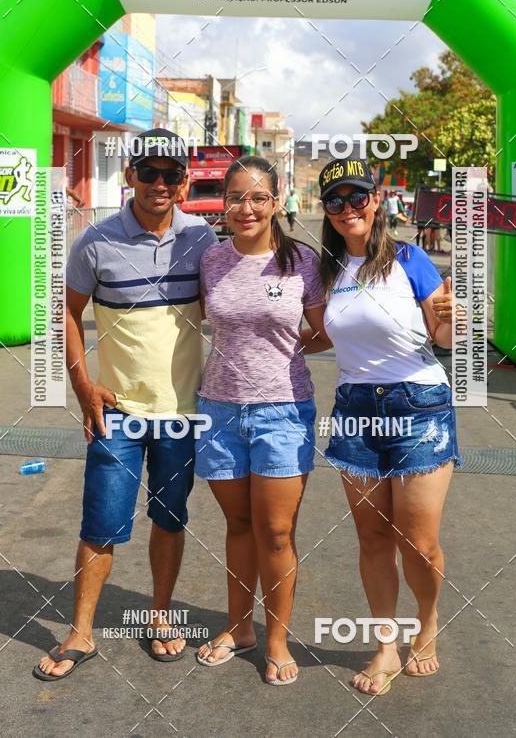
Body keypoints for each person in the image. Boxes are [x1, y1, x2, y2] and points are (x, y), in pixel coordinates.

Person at [33, 129, 217, 680]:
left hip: (183, 413)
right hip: (116, 412)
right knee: (101, 524)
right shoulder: (96, 241)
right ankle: (81, 633)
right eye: (149, 172)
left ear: (183, 182)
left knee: (170, 518)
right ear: (131, 175)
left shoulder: (203, 240)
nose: (159, 184)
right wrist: (82, 386)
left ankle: (159, 618)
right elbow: (65, 312)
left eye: (170, 174)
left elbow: (230, 304)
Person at [310, 157, 461, 698]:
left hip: (418, 403)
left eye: (357, 198)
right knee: (373, 537)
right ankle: (385, 644)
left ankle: (427, 624)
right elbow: (319, 334)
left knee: (417, 541)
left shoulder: (409, 259)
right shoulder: (327, 270)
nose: (348, 209)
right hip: (355, 407)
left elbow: (441, 339)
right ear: (325, 211)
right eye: (336, 202)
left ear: (376, 201)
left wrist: (450, 317)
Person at [194, 155, 328, 685]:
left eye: (257, 198)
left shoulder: (301, 262)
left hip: (283, 410)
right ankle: (238, 627)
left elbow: (325, 331)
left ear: (276, 203)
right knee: (238, 525)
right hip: (219, 408)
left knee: (276, 531)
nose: (245, 208)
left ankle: (276, 638)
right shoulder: (210, 260)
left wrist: (286, 355)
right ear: (224, 204)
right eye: (235, 198)